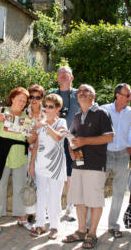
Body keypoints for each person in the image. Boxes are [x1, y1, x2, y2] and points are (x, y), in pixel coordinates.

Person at [62, 84, 113, 250]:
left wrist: (85, 141)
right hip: (78, 165)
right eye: (80, 92)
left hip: (95, 165)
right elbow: (73, 135)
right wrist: (71, 147)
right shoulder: (77, 116)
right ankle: (81, 231)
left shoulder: (101, 114)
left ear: (93, 95)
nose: (81, 93)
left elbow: (109, 137)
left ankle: (92, 234)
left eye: (86, 91)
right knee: (79, 200)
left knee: (95, 201)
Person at [0, 87, 35, 234]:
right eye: (20, 99)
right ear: (12, 98)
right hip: (1, 154)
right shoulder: (2, 111)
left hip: (19, 154)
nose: (22, 102)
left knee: (20, 188)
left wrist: (30, 131)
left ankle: (21, 218)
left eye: (24, 100)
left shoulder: (26, 117)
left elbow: (31, 140)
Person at [100, 83, 131, 238]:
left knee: (119, 192)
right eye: (127, 95)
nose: (130, 98)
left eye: (130, 95)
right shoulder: (104, 109)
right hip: (104, 153)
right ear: (118, 95)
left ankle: (113, 225)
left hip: (123, 155)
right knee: (96, 189)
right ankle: (90, 226)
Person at [28, 94, 67, 239]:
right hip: (41, 165)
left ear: (58, 109)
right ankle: (40, 225)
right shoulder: (41, 123)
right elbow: (36, 145)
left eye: (51, 107)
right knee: (41, 195)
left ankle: (54, 227)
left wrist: (45, 124)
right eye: (46, 106)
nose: (47, 109)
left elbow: (58, 137)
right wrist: (31, 165)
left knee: (54, 197)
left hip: (56, 166)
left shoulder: (61, 122)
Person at [48, 66, 80, 222]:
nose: (62, 75)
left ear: (72, 77)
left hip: (74, 141)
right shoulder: (51, 95)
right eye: (60, 73)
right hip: (55, 140)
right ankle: (54, 208)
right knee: (54, 174)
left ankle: (70, 209)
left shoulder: (80, 94)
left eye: (66, 73)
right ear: (56, 77)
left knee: (72, 176)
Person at [25, 84, 46, 224]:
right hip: (28, 150)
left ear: (42, 98)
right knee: (30, 181)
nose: (34, 100)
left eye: (37, 97)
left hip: (44, 152)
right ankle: (30, 212)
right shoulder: (24, 113)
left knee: (42, 182)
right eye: (31, 97)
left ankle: (42, 211)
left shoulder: (47, 113)